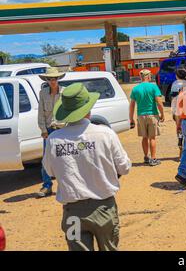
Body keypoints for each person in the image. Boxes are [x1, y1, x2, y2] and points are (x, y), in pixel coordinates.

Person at [43, 83, 131, 251]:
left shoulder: (54, 139)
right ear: (88, 109)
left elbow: (49, 171)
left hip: (72, 213)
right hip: (104, 209)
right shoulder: (106, 134)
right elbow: (124, 167)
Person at [36, 67, 66, 198]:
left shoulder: (65, 92)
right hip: (48, 129)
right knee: (46, 159)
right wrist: (43, 130)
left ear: (58, 79)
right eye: (50, 79)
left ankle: (65, 185)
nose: (52, 81)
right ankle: (47, 186)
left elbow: (67, 111)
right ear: (47, 80)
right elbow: (40, 113)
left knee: (64, 157)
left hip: (62, 129)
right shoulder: (42, 93)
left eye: (54, 79)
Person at [129, 69, 165, 166]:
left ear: (140, 77)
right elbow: (159, 102)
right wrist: (162, 114)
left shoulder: (135, 89)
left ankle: (146, 157)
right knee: (152, 138)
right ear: (149, 76)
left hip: (141, 116)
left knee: (144, 137)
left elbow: (132, 105)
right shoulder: (153, 87)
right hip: (152, 114)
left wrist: (131, 118)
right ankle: (153, 159)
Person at [170, 68, 186, 159]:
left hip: (177, 110)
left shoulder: (175, 84)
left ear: (177, 76)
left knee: (179, 130)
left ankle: (181, 151)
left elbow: (172, 96)